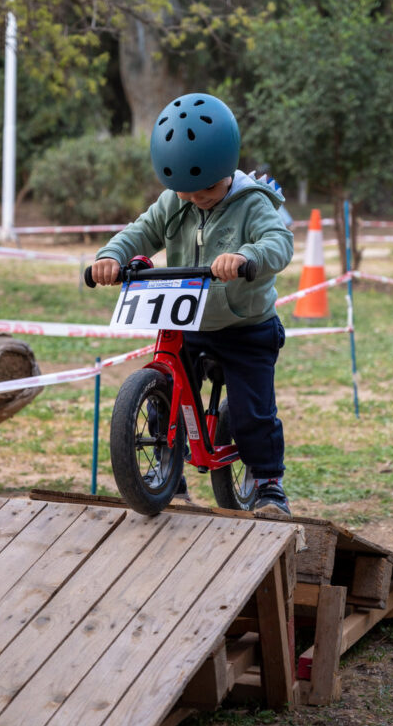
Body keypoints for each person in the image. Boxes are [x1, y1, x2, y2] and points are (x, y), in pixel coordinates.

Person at [90, 93, 294, 516]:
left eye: (205, 191)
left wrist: (246, 258)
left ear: (226, 171)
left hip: (245, 326)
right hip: (192, 319)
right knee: (163, 383)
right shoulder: (176, 201)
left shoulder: (252, 202)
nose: (193, 199)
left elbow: (280, 242)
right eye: (183, 191)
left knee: (251, 411)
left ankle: (269, 484)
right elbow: (140, 231)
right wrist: (111, 257)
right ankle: (169, 467)